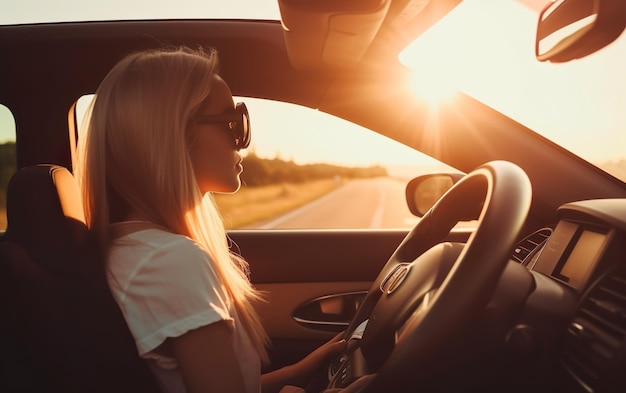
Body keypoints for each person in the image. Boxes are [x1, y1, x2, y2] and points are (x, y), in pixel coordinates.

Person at [76, 46, 345, 393]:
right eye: (232, 123)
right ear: (173, 134)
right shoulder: (171, 261)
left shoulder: (134, 251)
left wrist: (295, 372)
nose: (242, 143)